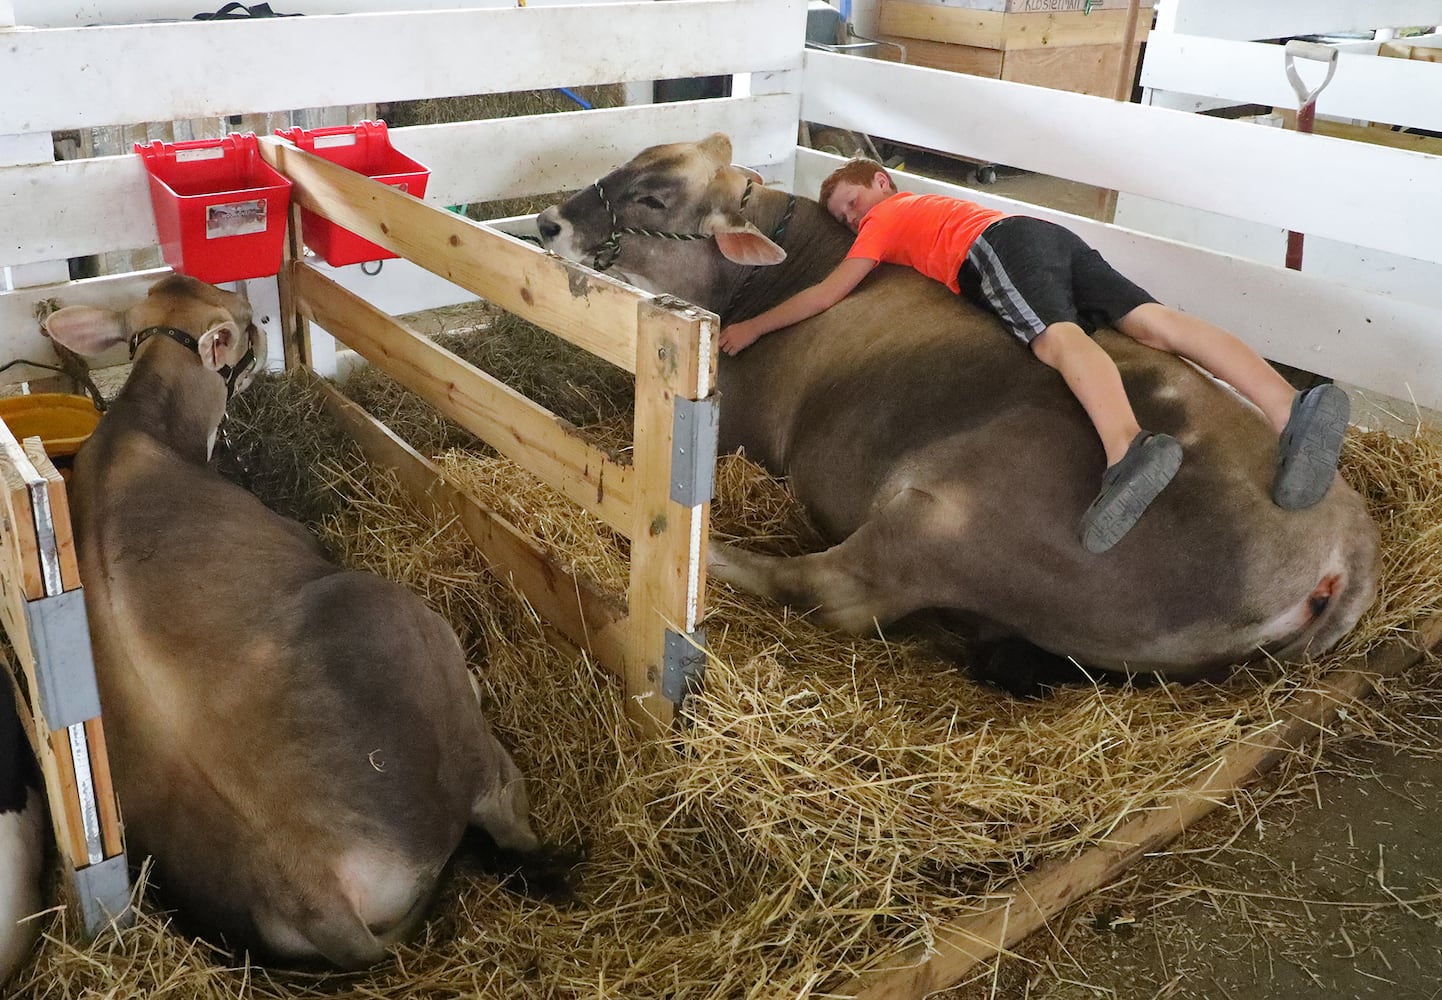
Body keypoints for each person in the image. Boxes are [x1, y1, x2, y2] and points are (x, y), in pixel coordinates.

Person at [717, 158, 1350, 554]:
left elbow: (829, 291)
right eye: (843, 220)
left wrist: (752, 328)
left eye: (852, 204)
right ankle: (1286, 404)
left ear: (879, 181)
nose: (853, 223)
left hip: (996, 249)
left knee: (1055, 339)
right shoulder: (936, 207)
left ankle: (1127, 447)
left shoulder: (891, 216)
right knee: (1155, 325)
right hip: (1048, 238)